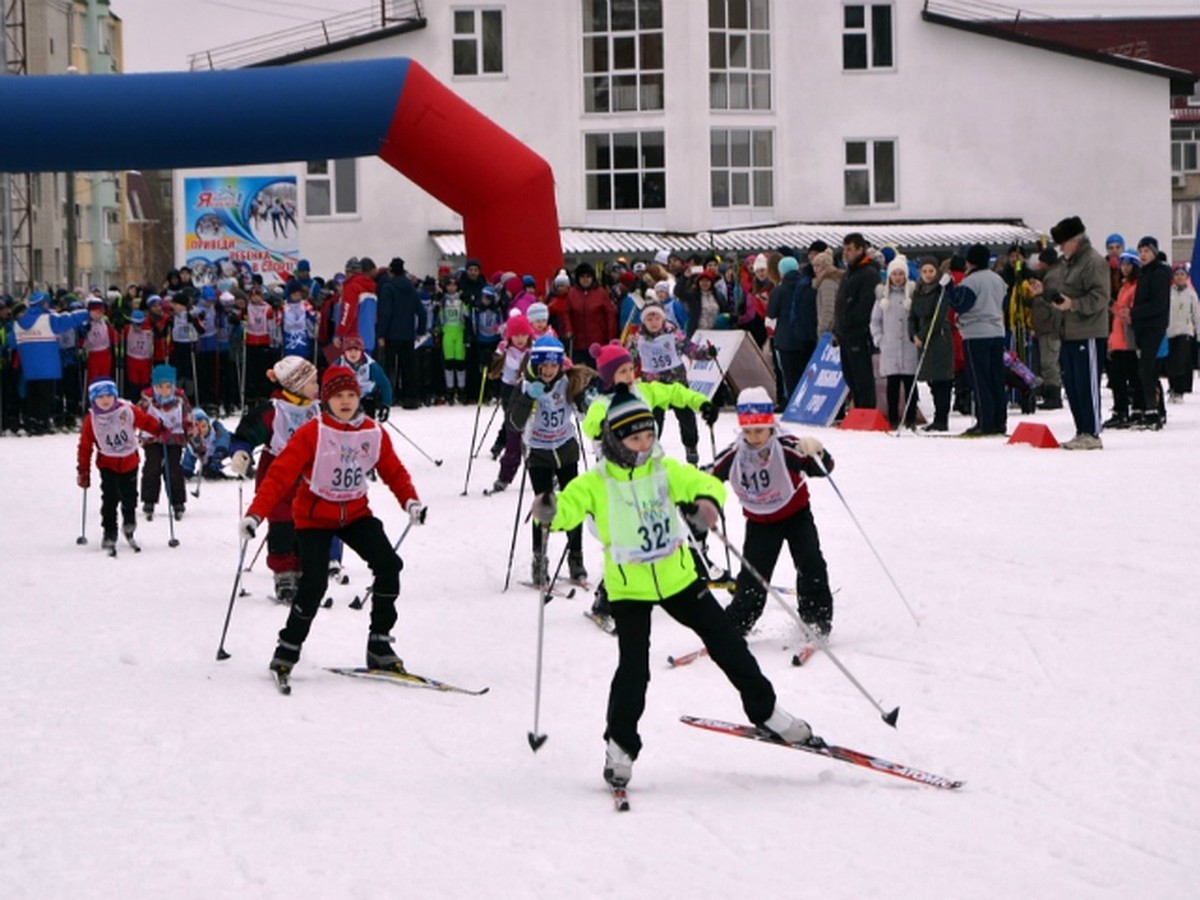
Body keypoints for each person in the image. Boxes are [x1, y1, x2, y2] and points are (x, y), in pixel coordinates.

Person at [531, 385, 814, 788]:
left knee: (728, 643)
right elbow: (566, 509)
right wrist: (549, 509)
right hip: (629, 590)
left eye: (649, 435)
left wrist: (706, 506)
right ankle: (620, 747)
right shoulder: (596, 482)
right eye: (634, 437)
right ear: (615, 438)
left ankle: (767, 712)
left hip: (679, 578)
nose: (644, 444)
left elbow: (706, 485)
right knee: (634, 670)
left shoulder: (664, 470)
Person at [239, 365, 426, 679]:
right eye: (338, 395)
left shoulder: (372, 431)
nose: (346, 401)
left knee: (389, 565)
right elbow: (279, 475)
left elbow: (394, 470)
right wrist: (255, 515)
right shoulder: (313, 432)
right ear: (326, 399)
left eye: (351, 395)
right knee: (314, 583)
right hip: (314, 518)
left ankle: (379, 644)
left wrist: (411, 501)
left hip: (355, 513)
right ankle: (287, 649)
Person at [711, 386, 835, 638]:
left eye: (759, 430)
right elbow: (710, 475)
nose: (754, 437)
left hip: (795, 514)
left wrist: (818, 452)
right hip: (760, 522)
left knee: (810, 562)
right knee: (753, 574)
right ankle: (737, 623)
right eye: (747, 431)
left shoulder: (786, 446)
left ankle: (816, 617)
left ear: (771, 426)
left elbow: (823, 468)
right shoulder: (736, 453)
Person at [229, 356, 321, 603]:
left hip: (310, 478)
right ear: (295, 385)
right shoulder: (273, 410)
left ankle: (305, 571)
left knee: (307, 527)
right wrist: (241, 452)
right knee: (282, 527)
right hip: (279, 478)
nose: (317, 386)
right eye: (312, 382)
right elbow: (246, 432)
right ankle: (284, 574)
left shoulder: (318, 407)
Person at [507, 335, 592, 584]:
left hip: (566, 449)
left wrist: (584, 402)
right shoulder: (524, 386)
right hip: (540, 454)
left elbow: (584, 410)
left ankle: (576, 558)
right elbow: (513, 423)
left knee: (573, 505)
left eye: (553, 366)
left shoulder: (567, 382)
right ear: (536, 364)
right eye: (544, 366)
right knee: (544, 507)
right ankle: (539, 559)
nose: (548, 370)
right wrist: (528, 398)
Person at [77, 377, 163, 552]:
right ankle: (109, 532)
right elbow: (85, 446)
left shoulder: (127, 410)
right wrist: (83, 470)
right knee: (109, 499)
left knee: (130, 496)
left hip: (129, 460)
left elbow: (145, 421)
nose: (105, 400)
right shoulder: (91, 420)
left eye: (109, 396)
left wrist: (159, 429)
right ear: (94, 400)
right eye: (100, 397)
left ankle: (129, 522)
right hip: (107, 463)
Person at [1044, 217, 1109, 448]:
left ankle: (1092, 432)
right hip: (1068, 332)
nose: (1061, 248)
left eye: (1063, 243)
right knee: (1071, 385)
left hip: (1087, 332)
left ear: (1075, 240)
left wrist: (1073, 304)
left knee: (1086, 383)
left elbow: (1100, 297)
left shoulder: (1093, 262)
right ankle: (1082, 430)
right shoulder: (1069, 263)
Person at [626, 298, 715, 465]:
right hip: (653, 387)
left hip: (676, 383)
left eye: (657, 318)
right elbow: (628, 360)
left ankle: (691, 447)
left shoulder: (673, 334)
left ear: (663, 318)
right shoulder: (638, 339)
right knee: (653, 421)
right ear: (644, 321)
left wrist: (708, 353)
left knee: (686, 417)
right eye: (649, 319)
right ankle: (649, 452)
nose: (654, 323)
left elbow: (691, 350)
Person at [945, 243, 1007, 436]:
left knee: (980, 379)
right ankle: (999, 421)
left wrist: (949, 289)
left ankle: (985, 421)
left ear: (969, 262)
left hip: (975, 333)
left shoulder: (970, 282)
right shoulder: (998, 280)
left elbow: (961, 304)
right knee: (996, 378)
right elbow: (1004, 302)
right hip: (997, 331)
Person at [13, 291, 89, 434]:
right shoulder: (47, 320)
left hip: (29, 370)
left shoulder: (18, 324)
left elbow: (11, 342)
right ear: (44, 304)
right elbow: (68, 319)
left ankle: (32, 423)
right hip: (48, 369)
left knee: (33, 396)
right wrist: (87, 313)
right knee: (46, 397)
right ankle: (43, 424)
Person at [138, 364, 194, 521]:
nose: (164, 391)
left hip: (174, 439)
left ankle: (178, 501)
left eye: (168, 387)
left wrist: (193, 439)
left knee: (173, 469)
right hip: (153, 438)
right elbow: (137, 416)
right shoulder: (147, 399)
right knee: (152, 466)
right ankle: (149, 500)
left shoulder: (180, 399)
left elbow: (188, 419)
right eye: (160, 387)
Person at [833, 233, 880, 412]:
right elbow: (840, 303)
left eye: (850, 249)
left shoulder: (868, 273)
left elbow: (865, 306)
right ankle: (859, 409)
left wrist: (849, 323)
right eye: (844, 249)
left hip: (859, 334)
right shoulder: (848, 274)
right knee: (850, 376)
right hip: (845, 334)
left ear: (860, 250)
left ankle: (866, 410)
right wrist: (838, 329)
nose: (846, 253)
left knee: (862, 377)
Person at [871, 255, 919, 429]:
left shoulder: (913, 296)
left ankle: (911, 418)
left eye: (900, 274)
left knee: (910, 386)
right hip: (889, 346)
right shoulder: (882, 298)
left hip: (908, 346)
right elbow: (875, 321)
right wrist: (879, 339)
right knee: (892, 385)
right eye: (894, 274)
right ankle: (892, 418)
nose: (897, 278)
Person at [908, 257, 954, 431]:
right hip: (922, 339)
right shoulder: (918, 290)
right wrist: (913, 334)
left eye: (931, 271)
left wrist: (922, 335)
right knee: (932, 381)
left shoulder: (941, 291)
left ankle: (942, 419)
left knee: (941, 381)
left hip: (938, 338)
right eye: (924, 271)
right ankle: (938, 417)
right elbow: (912, 315)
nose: (927, 275)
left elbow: (939, 316)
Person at [1099, 250, 1143, 429]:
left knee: (1131, 377)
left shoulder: (1135, 287)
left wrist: (1112, 306)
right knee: (1116, 378)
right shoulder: (1124, 286)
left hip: (1128, 341)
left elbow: (1127, 314)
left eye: (1128, 264)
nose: (1125, 268)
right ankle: (1121, 410)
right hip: (1118, 339)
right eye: (1123, 264)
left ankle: (1133, 409)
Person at [766, 256, 816, 401]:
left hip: (785, 338)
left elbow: (771, 313)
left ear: (781, 272)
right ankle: (806, 402)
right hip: (806, 337)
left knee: (790, 375)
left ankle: (794, 404)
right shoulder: (808, 286)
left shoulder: (779, 290)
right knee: (805, 374)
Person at [564, 263, 617, 365]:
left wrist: (611, 337)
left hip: (598, 341)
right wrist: (568, 330)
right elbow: (566, 313)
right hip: (578, 342)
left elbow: (610, 315)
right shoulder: (572, 293)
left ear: (593, 278)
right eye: (582, 277)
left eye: (588, 277)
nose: (585, 280)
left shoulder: (601, 293)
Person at [336, 335, 393, 421]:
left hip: (367, 399)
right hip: (346, 400)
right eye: (349, 350)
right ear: (344, 352)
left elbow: (385, 384)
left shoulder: (371, 366)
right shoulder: (338, 365)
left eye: (356, 350)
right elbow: (328, 384)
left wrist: (386, 405)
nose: (353, 353)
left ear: (361, 351)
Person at [1165, 264, 1199, 402]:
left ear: (1187, 277)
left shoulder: (1191, 294)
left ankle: (1179, 390)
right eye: (1177, 274)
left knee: (1181, 362)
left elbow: (1197, 314)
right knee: (1170, 363)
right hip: (1169, 332)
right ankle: (1172, 387)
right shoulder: (1169, 292)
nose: (1179, 277)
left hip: (1185, 332)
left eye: (1182, 274)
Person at [182, 408, 233, 480]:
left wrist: (220, 451)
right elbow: (189, 455)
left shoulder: (216, 431)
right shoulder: (193, 439)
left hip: (223, 449)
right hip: (207, 456)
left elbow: (223, 438)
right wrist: (186, 469)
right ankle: (208, 469)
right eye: (198, 427)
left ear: (208, 424)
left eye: (204, 426)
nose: (202, 430)